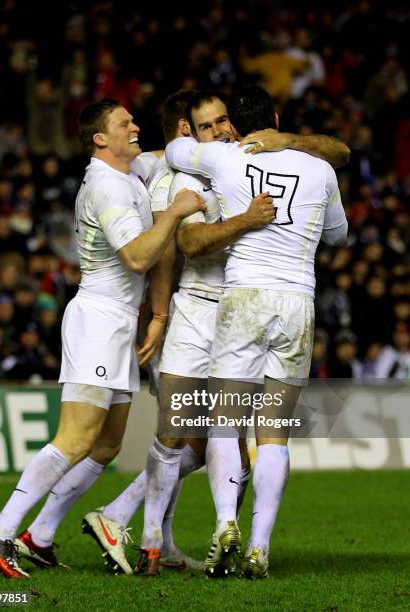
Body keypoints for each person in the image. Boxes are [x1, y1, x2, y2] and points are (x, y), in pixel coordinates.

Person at [84, 89, 350, 578]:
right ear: (188, 130)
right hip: (206, 314)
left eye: (225, 121)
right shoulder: (191, 172)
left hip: (239, 307)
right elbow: (187, 240)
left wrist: (277, 148)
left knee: (216, 438)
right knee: (190, 435)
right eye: (208, 125)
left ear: (239, 123)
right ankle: (152, 532)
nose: (220, 130)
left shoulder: (224, 160)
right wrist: (248, 218)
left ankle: (173, 528)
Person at [0, 98, 205, 578]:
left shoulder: (128, 170)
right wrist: (176, 211)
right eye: (125, 123)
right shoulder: (106, 187)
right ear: (101, 138)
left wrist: (220, 145)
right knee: (76, 438)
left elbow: (166, 157)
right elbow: (139, 257)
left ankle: (39, 535)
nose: (135, 126)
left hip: (120, 321)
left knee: (106, 445)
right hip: (98, 318)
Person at [166, 85, 348, 578]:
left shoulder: (226, 160)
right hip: (296, 302)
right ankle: (260, 548)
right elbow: (338, 235)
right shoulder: (320, 168)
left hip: (244, 297)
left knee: (225, 419)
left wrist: (218, 148)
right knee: (274, 433)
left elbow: (176, 150)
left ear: (237, 124)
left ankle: (226, 523)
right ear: (275, 116)